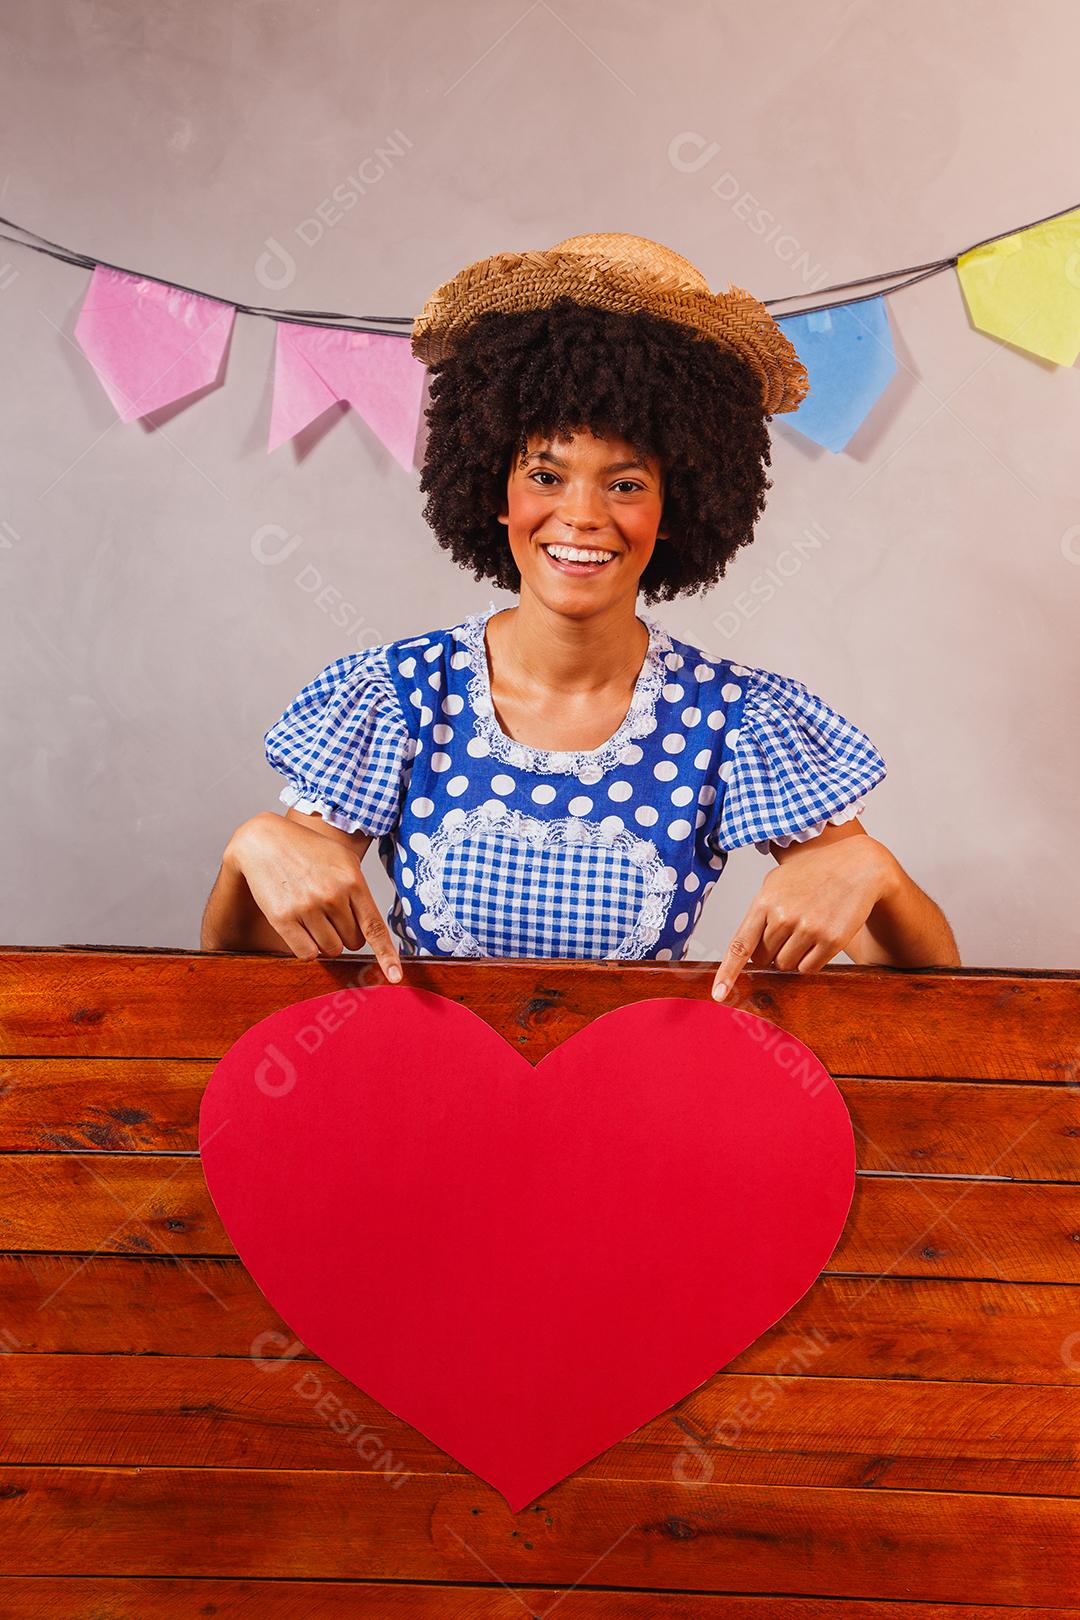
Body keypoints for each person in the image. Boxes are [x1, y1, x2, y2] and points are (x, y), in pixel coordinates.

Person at [201, 232, 959, 997]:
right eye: (546, 474)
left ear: (677, 510)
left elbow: (939, 998)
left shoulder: (735, 718)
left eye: (625, 484)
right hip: (427, 1102)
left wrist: (873, 871)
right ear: (496, 492)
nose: (582, 515)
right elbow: (241, 974)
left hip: (634, 1105)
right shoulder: (397, 695)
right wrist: (253, 849)